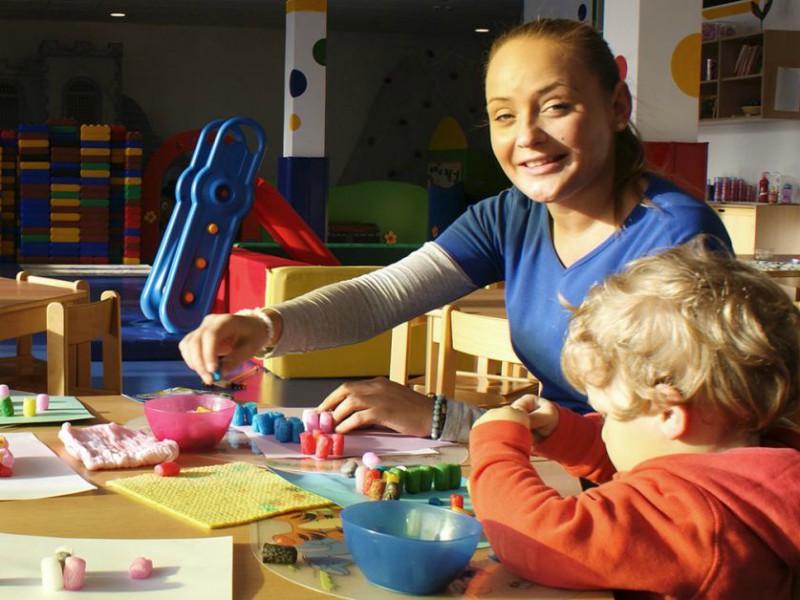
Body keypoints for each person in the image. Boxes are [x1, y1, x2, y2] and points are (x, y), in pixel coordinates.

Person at [179, 18, 731, 443]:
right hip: (545, 466)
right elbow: (382, 295)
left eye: (556, 107)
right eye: (504, 115)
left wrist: (444, 416)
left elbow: (664, 438)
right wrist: (262, 325)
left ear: (617, 106)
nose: (528, 137)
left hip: (634, 494)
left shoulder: (676, 238)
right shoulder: (509, 215)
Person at [469, 240, 800, 598]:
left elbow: (538, 538)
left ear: (670, 413)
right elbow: (659, 462)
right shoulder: (759, 465)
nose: (605, 426)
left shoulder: (693, 518)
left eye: (610, 415)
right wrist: (567, 434)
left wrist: (495, 447)